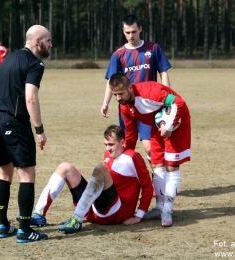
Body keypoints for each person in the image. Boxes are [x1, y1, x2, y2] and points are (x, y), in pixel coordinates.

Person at [17, 125, 153, 232]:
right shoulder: (107, 154)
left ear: (122, 142)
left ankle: (76, 219)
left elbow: (147, 186)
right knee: (65, 167)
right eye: (105, 144)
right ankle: (38, 214)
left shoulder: (133, 157)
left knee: (100, 169)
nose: (108, 148)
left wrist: (139, 215)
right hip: (96, 210)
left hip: (117, 212)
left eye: (111, 144)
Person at [0, 25, 52, 243]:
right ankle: (25, 230)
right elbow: (30, 98)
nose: (51, 45)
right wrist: (39, 130)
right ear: (37, 41)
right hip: (14, 122)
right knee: (27, 175)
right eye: (48, 41)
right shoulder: (35, 63)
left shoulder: (7, 59)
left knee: (4, 174)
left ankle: (3, 225)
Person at [108, 73, 191, 227]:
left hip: (176, 122)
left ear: (130, 88)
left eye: (121, 93)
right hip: (157, 125)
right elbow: (131, 133)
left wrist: (170, 126)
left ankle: (167, 210)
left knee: (171, 166)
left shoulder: (150, 92)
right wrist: (125, 156)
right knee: (157, 164)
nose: (118, 98)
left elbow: (178, 102)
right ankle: (159, 207)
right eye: (114, 95)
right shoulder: (125, 106)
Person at [101, 14, 171, 160]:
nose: (131, 35)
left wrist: (167, 98)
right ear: (123, 31)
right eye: (127, 32)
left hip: (148, 106)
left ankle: (156, 175)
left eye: (134, 31)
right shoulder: (118, 54)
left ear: (140, 29)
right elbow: (111, 81)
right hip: (127, 109)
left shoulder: (153, 48)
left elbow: (163, 72)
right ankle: (127, 180)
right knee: (125, 146)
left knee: (150, 147)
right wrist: (105, 103)